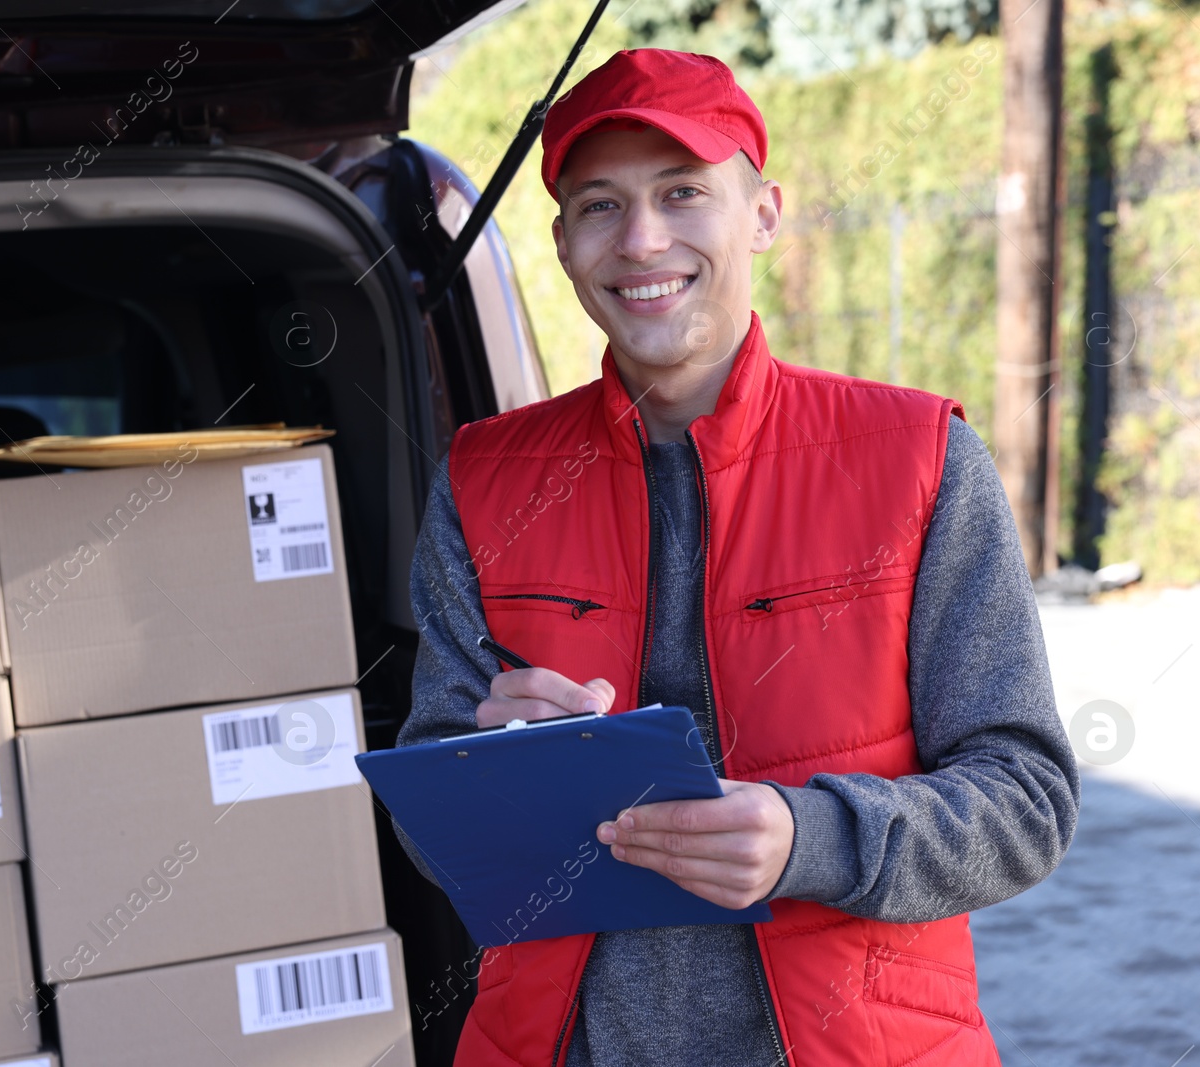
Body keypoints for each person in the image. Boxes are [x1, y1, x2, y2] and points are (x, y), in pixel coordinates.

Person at [398, 47, 1080, 1066]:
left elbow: (1024, 801)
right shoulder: (482, 480)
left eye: (683, 193)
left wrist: (808, 837)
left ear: (761, 212)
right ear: (562, 241)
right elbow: (429, 819)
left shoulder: (917, 460)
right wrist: (486, 767)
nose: (641, 239)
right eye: (599, 205)